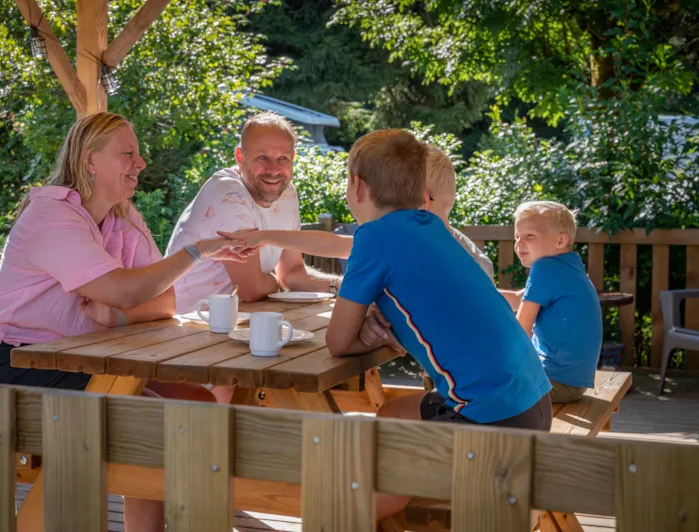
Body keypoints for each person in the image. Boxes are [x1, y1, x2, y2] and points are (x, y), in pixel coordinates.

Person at [0, 112, 253, 531]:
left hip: (77, 361)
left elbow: (165, 300)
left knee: (198, 404)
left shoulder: (123, 217)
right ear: (90, 160)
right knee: (153, 420)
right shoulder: (51, 216)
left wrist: (117, 315)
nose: (141, 162)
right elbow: (127, 289)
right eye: (128, 153)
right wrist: (195, 252)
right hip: (7, 365)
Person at [322, 128, 552, 520]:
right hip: (533, 403)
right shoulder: (433, 228)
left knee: (367, 487)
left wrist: (370, 336)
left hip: (492, 421)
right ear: (420, 190)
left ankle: (340, 521)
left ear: (357, 186)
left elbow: (338, 342)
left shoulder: (373, 238)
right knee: (391, 416)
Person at [219, 143, 495, 347]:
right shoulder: (452, 248)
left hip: (470, 397)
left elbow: (339, 343)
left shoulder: (408, 247)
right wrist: (265, 237)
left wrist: (384, 333)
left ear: (419, 200)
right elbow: (336, 244)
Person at [166, 111, 342, 314]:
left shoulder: (286, 194)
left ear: (293, 158)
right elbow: (250, 290)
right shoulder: (228, 194)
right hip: (190, 323)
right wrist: (275, 283)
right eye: (262, 158)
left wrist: (339, 285)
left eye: (283, 158)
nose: (274, 170)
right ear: (240, 157)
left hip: (243, 319)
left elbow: (292, 273)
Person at [499, 201, 602, 403]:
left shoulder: (545, 268)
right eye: (517, 236)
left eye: (529, 236)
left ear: (560, 241)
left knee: (478, 373)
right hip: (571, 383)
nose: (519, 243)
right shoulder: (568, 267)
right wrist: (479, 292)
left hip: (553, 381)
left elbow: (521, 331)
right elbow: (519, 299)